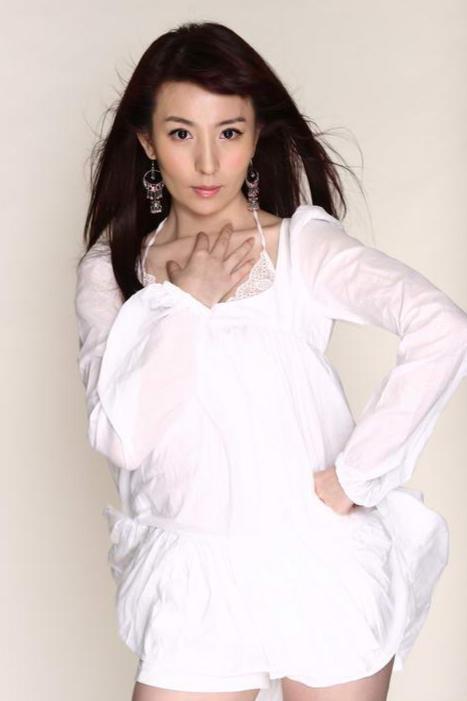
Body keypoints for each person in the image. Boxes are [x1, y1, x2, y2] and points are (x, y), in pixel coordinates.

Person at [74, 21, 467, 701]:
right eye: (181, 133)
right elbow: (123, 436)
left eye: (228, 132)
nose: (207, 162)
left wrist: (358, 473)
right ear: (146, 140)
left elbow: (441, 327)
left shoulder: (300, 248)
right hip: (193, 577)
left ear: (255, 138)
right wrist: (187, 302)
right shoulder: (113, 272)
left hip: (319, 563)